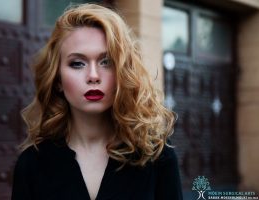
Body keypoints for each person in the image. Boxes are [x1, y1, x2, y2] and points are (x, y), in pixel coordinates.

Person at [11, 3, 183, 200]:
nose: (93, 76)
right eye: (77, 63)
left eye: (106, 62)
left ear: (122, 72)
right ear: (58, 79)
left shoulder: (156, 155)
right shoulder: (32, 164)